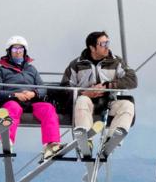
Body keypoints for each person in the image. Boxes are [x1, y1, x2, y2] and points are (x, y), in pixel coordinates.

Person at [59, 30, 137, 168]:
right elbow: (65, 88)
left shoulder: (116, 62)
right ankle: (86, 140)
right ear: (92, 47)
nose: (107, 46)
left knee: (127, 105)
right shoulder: (76, 65)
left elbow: (132, 80)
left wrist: (108, 86)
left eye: (108, 42)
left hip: (108, 102)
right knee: (82, 101)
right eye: (103, 43)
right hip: (86, 101)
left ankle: (113, 138)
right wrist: (85, 93)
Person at [0, 36, 63, 160]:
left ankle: (51, 144)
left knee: (48, 108)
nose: (18, 51)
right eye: (15, 49)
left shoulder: (31, 69)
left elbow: (42, 88)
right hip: (12, 100)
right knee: (12, 108)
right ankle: (8, 141)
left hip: (31, 101)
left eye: (21, 48)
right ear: (9, 51)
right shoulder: (1, 70)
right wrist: (15, 95)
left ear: (25, 51)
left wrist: (33, 93)